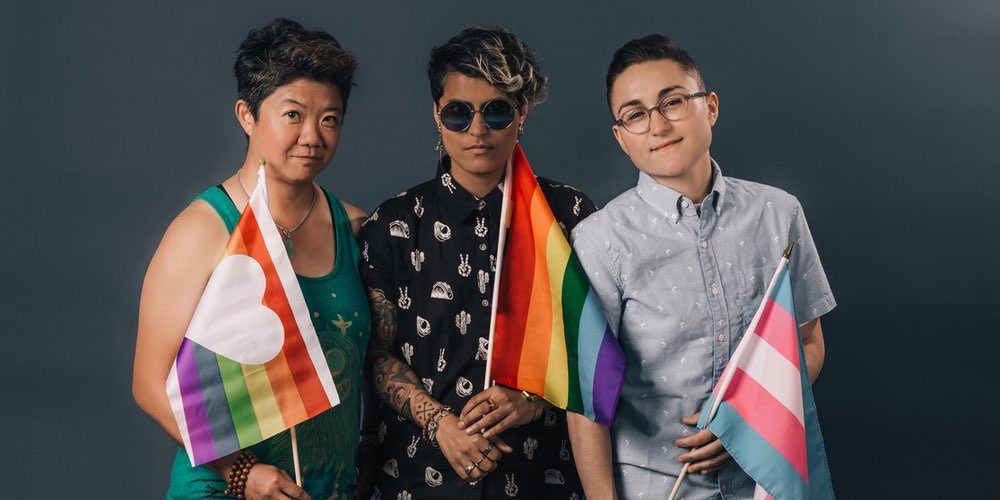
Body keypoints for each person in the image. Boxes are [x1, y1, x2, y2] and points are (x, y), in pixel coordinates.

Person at [567, 35, 837, 499]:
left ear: (709, 107)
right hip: (654, 486)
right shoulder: (599, 241)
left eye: (672, 102)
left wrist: (747, 423)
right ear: (621, 137)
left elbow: (808, 342)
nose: (657, 125)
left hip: (764, 480)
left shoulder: (779, 214)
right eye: (635, 114)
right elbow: (585, 397)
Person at [132, 18, 371, 499]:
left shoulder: (354, 227)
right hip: (225, 489)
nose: (312, 135)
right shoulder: (203, 229)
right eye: (293, 114)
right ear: (247, 114)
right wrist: (242, 471)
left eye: (330, 118)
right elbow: (150, 385)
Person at [358, 27, 590, 499]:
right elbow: (375, 352)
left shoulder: (570, 216)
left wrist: (531, 400)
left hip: (540, 476)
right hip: (415, 477)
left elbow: (594, 344)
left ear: (521, 114)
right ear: (437, 115)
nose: (477, 130)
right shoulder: (392, 224)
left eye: (496, 111)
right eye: (459, 113)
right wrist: (439, 423)